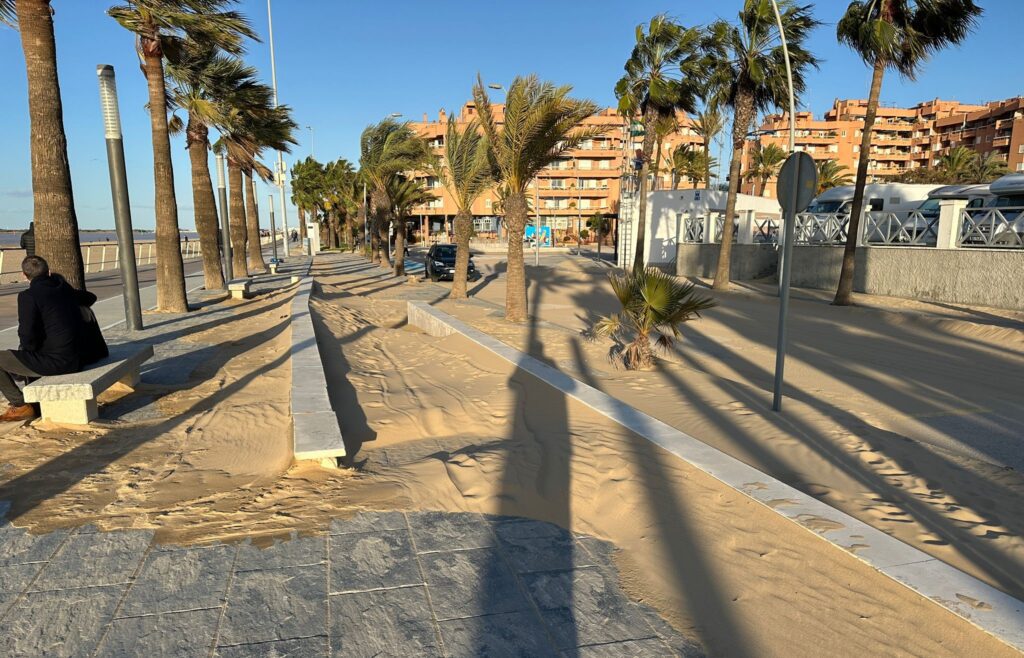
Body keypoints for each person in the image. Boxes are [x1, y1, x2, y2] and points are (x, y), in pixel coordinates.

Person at [0, 256, 107, 422]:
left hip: (59, 362)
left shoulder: (28, 296)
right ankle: (31, 401)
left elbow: (26, 335)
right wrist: (63, 287)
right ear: (48, 272)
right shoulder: (62, 289)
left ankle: (20, 405)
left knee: (9, 356)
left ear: (24, 275)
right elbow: (90, 297)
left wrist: (24, 356)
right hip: (77, 358)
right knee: (31, 352)